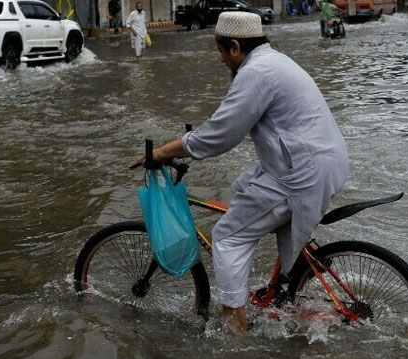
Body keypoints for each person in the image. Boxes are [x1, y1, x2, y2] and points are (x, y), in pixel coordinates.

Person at [129, 12, 349, 333]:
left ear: (234, 47)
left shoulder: (256, 73)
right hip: (317, 161)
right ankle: (284, 289)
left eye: (220, 51)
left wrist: (162, 152)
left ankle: (235, 328)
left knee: (227, 237)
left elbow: (219, 135)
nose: (220, 60)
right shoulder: (274, 61)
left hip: (300, 173)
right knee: (242, 185)